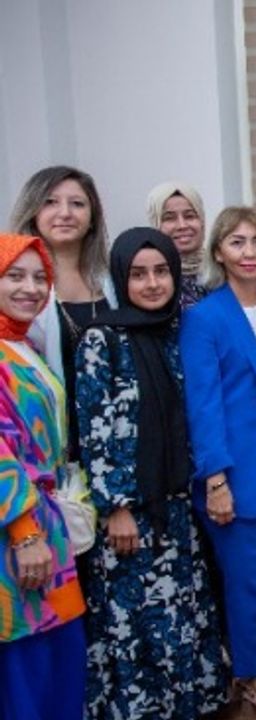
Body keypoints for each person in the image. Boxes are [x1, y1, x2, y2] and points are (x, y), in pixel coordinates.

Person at [75, 228, 228, 718]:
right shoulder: (102, 339)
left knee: (181, 618)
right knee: (136, 627)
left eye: (161, 271)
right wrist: (115, 508)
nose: (152, 283)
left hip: (178, 510)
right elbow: (95, 431)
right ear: (121, 278)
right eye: (139, 274)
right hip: (131, 517)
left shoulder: (179, 333)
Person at [180, 206, 256, 714]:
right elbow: (203, 405)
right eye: (237, 242)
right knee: (245, 576)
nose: (249, 252)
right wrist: (216, 479)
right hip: (236, 464)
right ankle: (251, 675)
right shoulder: (203, 318)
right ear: (218, 252)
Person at [0, 233, 87, 720]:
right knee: (24, 675)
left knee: (60, 667)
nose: (30, 288)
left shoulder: (23, 345)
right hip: (16, 537)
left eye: (39, 278)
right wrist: (24, 532)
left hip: (47, 530)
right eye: (14, 276)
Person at [10, 167, 118, 513]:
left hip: (110, 446)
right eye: (51, 202)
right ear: (33, 211)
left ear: (93, 215)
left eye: (77, 204)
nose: (65, 213)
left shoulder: (111, 280)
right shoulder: (18, 289)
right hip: (46, 450)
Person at [146, 181, 209, 309]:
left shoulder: (222, 269)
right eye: (169, 218)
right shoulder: (149, 278)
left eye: (189, 216)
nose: (182, 225)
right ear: (155, 223)